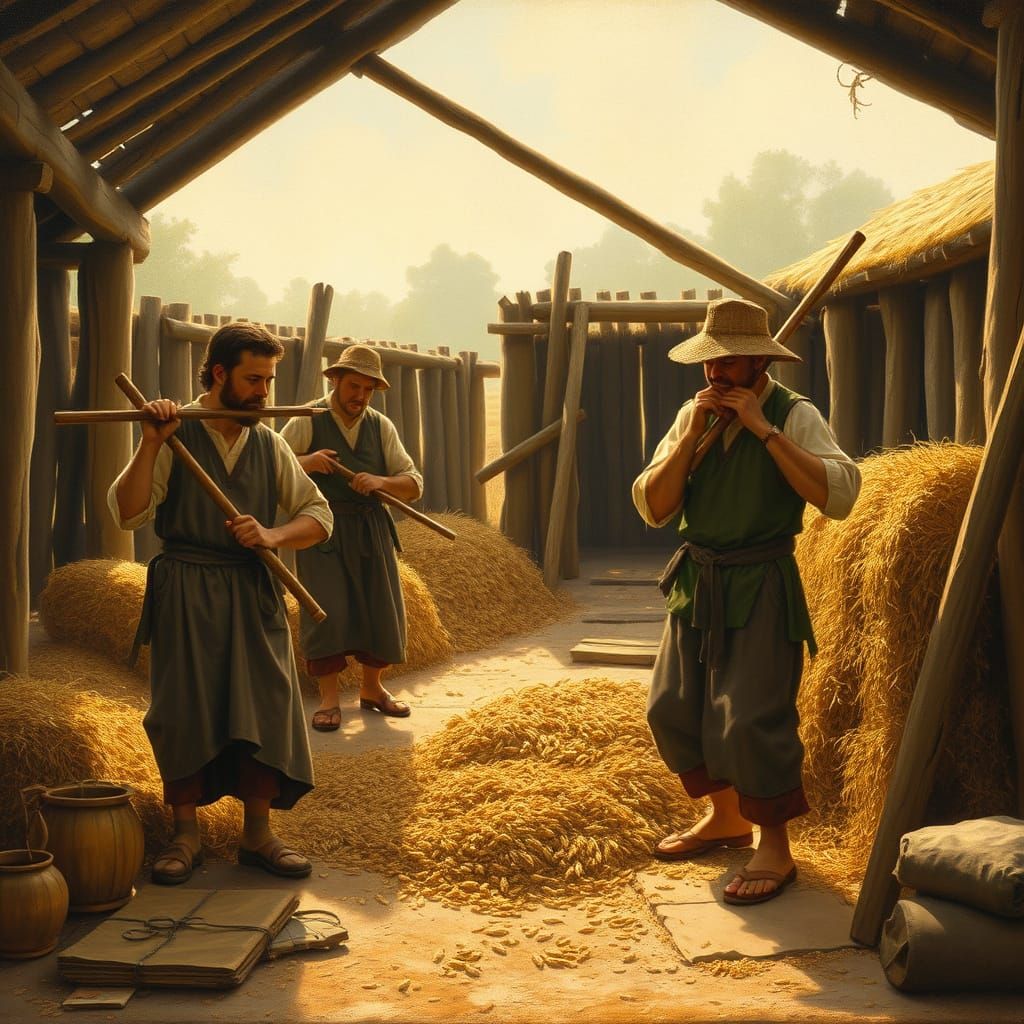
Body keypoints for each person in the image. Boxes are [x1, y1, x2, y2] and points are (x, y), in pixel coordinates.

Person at [632, 297, 861, 905]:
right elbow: (655, 506)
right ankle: (726, 816)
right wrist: (689, 441)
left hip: (760, 580)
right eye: (710, 363)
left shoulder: (794, 413)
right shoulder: (693, 414)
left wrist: (763, 430)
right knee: (673, 707)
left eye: (729, 363)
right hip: (696, 580)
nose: (715, 374)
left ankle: (775, 846)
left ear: (760, 362)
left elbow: (838, 495)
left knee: (753, 716)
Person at [109, 322, 334, 885]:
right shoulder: (174, 431)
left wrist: (273, 536)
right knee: (185, 709)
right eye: (254, 380)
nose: (265, 393)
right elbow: (128, 512)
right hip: (187, 590)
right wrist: (151, 442)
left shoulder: (270, 442)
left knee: (264, 706)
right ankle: (186, 835)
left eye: (269, 380)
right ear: (218, 375)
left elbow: (318, 516)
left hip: (252, 588)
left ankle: (256, 836)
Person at [281, 344, 423, 730]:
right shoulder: (307, 419)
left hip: (370, 527)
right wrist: (307, 462)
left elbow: (413, 484)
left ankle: (373, 690)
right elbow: (269, 466)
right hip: (321, 528)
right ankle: (329, 699)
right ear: (335, 380)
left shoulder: (381, 427)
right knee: (328, 611)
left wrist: (381, 481)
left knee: (378, 607)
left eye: (367, 389)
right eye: (353, 386)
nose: (359, 396)